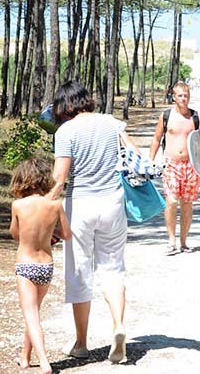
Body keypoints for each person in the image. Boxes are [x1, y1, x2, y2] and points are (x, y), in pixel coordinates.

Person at [48, 81, 133, 363]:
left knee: (80, 269)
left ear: (63, 105)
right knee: (113, 267)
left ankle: (82, 343)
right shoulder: (110, 122)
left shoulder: (65, 131)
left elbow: (59, 179)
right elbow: (134, 155)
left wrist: (44, 207)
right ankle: (118, 326)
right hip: (112, 201)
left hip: (81, 204)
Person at [9, 154, 73, 373]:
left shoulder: (18, 205)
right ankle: (25, 357)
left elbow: (15, 235)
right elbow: (66, 234)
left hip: (25, 265)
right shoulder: (54, 205)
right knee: (34, 311)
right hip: (46, 266)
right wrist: (50, 234)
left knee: (30, 313)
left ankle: (45, 362)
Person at [150, 82, 200, 255]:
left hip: (191, 166)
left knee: (187, 204)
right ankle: (171, 240)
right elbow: (157, 139)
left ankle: (184, 241)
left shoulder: (196, 117)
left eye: (186, 95)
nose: (183, 99)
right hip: (171, 164)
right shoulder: (166, 116)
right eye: (180, 95)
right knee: (170, 201)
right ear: (174, 97)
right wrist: (150, 160)